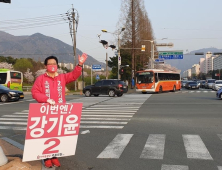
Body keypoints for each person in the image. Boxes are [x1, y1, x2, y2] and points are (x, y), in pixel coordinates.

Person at [31, 53, 87, 168]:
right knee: (46, 135)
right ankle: (46, 158)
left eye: (54, 64)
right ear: (46, 66)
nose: (52, 65)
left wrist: (80, 64)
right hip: (45, 111)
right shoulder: (40, 79)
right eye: (49, 64)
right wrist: (46, 99)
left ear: (57, 65)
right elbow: (35, 92)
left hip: (60, 111)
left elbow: (73, 75)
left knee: (57, 134)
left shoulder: (62, 77)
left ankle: (54, 156)